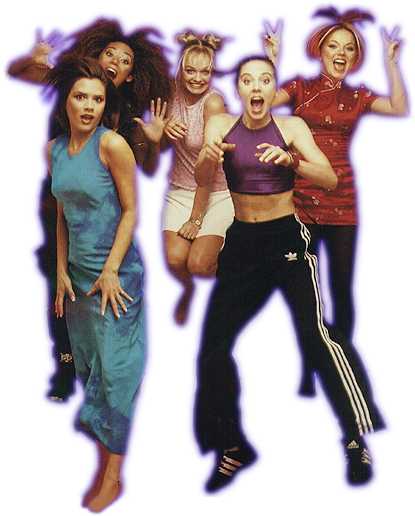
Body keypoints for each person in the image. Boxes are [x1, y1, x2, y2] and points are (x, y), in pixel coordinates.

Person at [194, 56, 384, 493]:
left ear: (272, 87)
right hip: (241, 242)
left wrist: (293, 161)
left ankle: (354, 439)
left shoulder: (291, 127)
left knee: (315, 337)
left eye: (265, 79)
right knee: (212, 349)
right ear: (239, 88)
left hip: (285, 240)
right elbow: (205, 178)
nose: (256, 87)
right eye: (247, 80)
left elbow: (330, 179)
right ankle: (233, 445)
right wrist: (206, 157)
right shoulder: (220, 124)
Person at [8, 19, 171, 401]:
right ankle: (65, 368)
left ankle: (104, 370)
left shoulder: (126, 120)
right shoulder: (73, 87)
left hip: (104, 222)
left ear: (131, 76)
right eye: (110, 53)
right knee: (60, 285)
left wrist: (153, 142)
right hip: (60, 205)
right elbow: (18, 72)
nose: (116, 61)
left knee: (103, 292)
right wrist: (32, 58)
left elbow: (143, 172)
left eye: (125, 60)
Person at [263, 8, 408, 396]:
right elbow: (262, 102)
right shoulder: (300, 87)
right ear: (320, 50)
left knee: (341, 289)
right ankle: (311, 366)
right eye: (334, 46)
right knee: (305, 291)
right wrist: (272, 59)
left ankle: (339, 367)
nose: (340, 53)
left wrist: (392, 63)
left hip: (342, 201)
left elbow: (399, 107)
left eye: (349, 48)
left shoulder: (357, 96)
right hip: (301, 199)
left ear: (355, 57)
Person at [48, 56, 145, 512]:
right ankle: (103, 449)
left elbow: (131, 210)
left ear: (106, 104)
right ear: (66, 101)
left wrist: (111, 269)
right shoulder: (53, 150)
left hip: (116, 277)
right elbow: (62, 212)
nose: (88, 106)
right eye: (80, 97)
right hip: (78, 280)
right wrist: (60, 270)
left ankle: (113, 477)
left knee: (118, 373)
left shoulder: (113, 145)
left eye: (97, 99)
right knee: (91, 368)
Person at [160, 31, 234, 324]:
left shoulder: (213, 103)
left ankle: (237, 278)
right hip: (179, 189)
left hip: (214, 193)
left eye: (206, 72)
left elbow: (210, 167)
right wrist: (162, 129)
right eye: (191, 70)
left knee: (200, 265)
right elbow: (158, 146)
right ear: (180, 68)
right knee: (175, 260)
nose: (198, 78)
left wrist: (196, 218)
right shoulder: (169, 91)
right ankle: (187, 290)